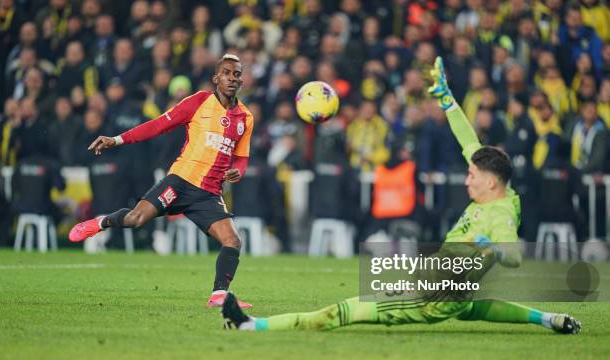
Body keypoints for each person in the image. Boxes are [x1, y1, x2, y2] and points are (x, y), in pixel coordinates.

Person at [222, 57, 581, 334]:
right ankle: (549, 319)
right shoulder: (503, 189)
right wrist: (447, 100)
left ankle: (251, 325)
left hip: (430, 298)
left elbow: (515, 256)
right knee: (473, 305)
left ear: (490, 182)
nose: (466, 180)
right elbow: (467, 139)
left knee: (345, 311)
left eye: (472, 175)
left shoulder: (499, 214)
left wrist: (497, 247)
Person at [69, 54, 254, 309]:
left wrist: (238, 171)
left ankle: (219, 296)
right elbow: (158, 126)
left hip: (209, 193)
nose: (232, 78)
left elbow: (242, 157)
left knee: (232, 240)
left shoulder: (246, 118)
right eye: (226, 73)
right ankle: (101, 222)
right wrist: (117, 139)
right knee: (136, 219)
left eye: (237, 74)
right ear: (216, 78)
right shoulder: (199, 102)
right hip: (180, 181)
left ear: (242, 80)